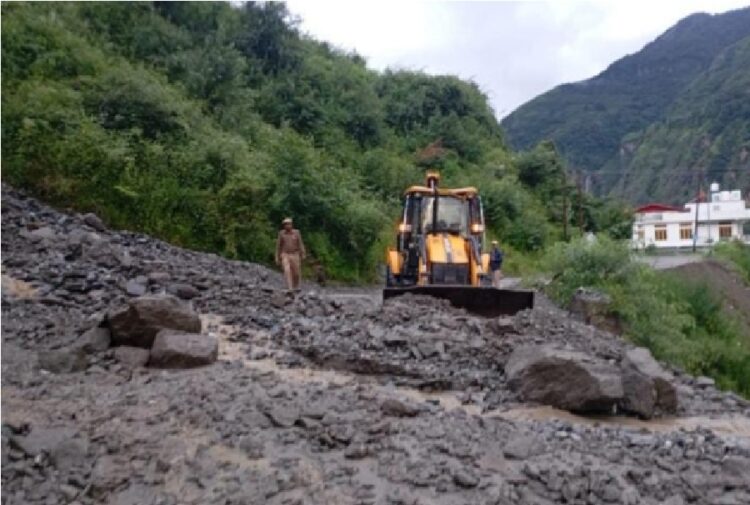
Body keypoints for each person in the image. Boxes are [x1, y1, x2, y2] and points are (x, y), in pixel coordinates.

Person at [275, 217, 306, 291]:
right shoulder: (281, 233)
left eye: (288, 224)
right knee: (287, 270)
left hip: (295, 254)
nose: (287, 226)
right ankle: (290, 288)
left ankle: (296, 286)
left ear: (292, 225)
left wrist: (303, 253)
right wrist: (277, 257)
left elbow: (300, 243)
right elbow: (278, 246)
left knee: (296, 273)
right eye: (285, 224)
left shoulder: (297, 232)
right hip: (285, 254)